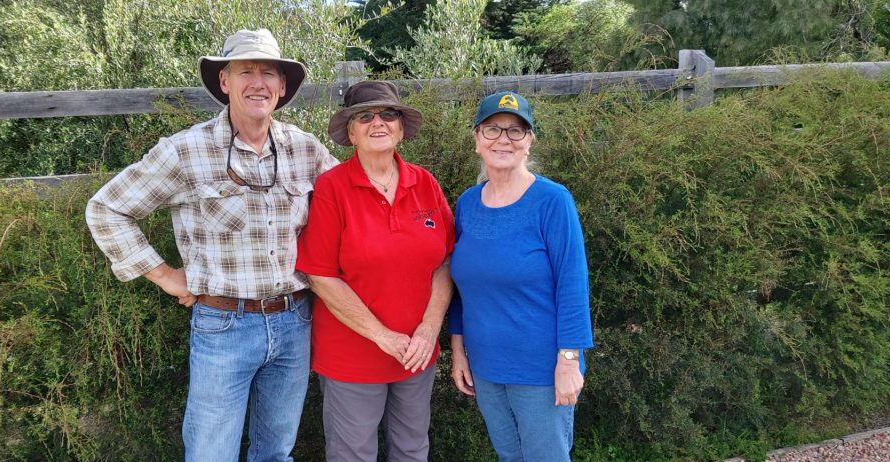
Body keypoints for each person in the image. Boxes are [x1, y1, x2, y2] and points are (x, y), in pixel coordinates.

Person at [85, 29, 339, 462]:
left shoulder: (305, 149)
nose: (258, 83)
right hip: (223, 325)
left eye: (268, 73)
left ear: (282, 86)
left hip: (295, 320)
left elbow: (349, 205)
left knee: (276, 453)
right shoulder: (185, 151)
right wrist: (165, 276)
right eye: (245, 72)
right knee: (210, 454)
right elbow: (107, 209)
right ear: (224, 81)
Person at [294, 81, 454, 462]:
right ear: (351, 133)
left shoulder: (425, 183)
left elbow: (446, 260)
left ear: (400, 128)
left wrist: (429, 329)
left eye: (388, 114)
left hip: (416, 355)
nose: (377, 123)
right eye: (364, 117)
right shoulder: (332, 188)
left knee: (412, 450)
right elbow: (320, 276)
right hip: (352, 358)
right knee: (353, 455)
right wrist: (383, 336)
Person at [448, 91, 594, 462]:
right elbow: (460, 289)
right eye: (493, 129)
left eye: (516, 130)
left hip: (541, 369)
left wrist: (569, 359)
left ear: (529, 141)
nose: (504, 139)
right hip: (486, 366)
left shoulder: (553, 201)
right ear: (477, 139)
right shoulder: (467, 204)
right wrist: (458, 352)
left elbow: (573, 285)